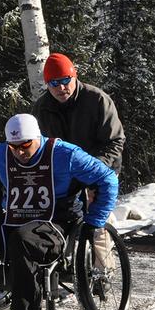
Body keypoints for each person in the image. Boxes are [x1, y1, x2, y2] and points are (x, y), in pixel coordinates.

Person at [0, 114, 118, 310]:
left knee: (22, 239)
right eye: (13, 146)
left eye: (25, 145)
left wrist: (95, 221)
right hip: (18, 217)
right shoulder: (2, 154)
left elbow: (108, 179)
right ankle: (8, 284)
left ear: (37, 137)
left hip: (57, 220)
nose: (19, 152)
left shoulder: (65, 154)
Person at [31, 52, 124, 275]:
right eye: (54, 83)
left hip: (100, 167)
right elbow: (37, 146)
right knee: (53, 210)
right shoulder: (41, 108)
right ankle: (59, 260)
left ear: (75, 76)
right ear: (47, 84)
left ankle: (103, 268)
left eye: (65, 81)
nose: (61, 88)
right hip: (64, 173)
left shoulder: (97, 99)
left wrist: (94, 168)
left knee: (97, 214)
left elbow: (115, 140)